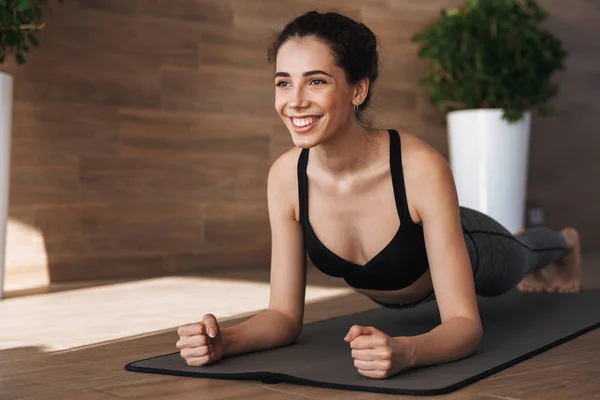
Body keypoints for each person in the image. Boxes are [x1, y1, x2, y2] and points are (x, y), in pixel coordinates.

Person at [176, 10, 582, 379]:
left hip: (475, 245)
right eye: (284, 83)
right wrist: (224, 341)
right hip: (402, 293)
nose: (295, 101)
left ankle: (563, 243)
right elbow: (283, 315)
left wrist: (408, 351)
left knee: (521, 252)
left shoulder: (420, 168)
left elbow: (463, 324)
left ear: (358, 90)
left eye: (316, 81)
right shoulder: (285, 178)